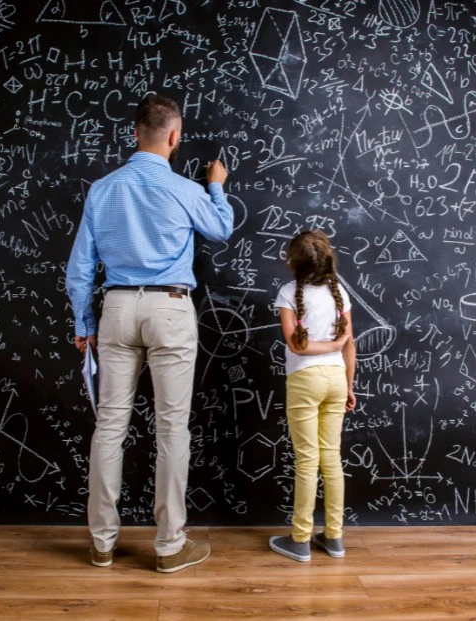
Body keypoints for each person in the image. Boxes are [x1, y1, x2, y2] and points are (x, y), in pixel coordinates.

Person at [65, 94, 233, 573]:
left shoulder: (102, 189)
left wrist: (85, 324)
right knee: (171, 428)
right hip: (170, 308)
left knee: (110, 426)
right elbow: (221, 228)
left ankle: (101, 543)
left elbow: (79, 270)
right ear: (175, 137)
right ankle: (168, 545)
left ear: (135, 132)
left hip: (116, 307)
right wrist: (216, 186)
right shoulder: (184, 189)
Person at [269, 230, 357, 562]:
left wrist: (331, 348)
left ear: (293, 261)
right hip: (335, 377)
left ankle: (301, 539)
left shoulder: (289, 292)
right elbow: (350, 344)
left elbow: (296, 345)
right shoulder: (339, 294)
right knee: (331, 458)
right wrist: (349, 385)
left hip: (306, 380)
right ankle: (334, 538)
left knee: (307, 460)